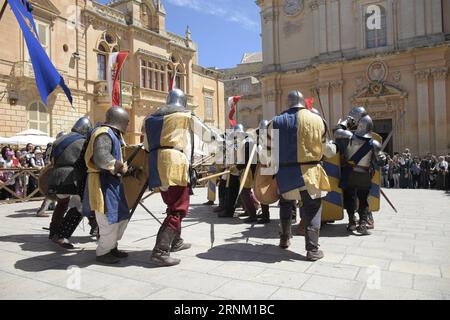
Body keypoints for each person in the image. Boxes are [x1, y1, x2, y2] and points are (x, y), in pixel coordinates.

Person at [268, 90, 337, 261]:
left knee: (285, 205)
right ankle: (312, 250)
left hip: (285, 175)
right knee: (313, 209)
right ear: (302, 102)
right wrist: (334, 147)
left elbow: (266, 154)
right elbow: (327, 151)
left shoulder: (274, 122)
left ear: (287, 102)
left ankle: (284, 239)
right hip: (310, 174)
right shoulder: (319, 120)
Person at [144, 89, 199, 267]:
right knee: (178, 208)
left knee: (171, 205)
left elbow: (146, 145)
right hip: (175, 162)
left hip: (156, 162)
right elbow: (190, 145)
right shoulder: (184, 116)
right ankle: (160, 251)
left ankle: (175, 241)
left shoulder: (150, 118)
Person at [83, 107, 130, 264]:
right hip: (101, 182)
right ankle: (103, 252)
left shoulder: (114, 134)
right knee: (108, 219)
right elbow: (101, 157)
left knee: (120, 216)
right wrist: (118, 166)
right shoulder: (104, 132)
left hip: (112, 182)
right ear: (121, 120)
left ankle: (111, 247)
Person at [47, 117, 96, 248]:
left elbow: (51, 159)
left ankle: (53, 232)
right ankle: (62, 236)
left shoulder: (59, 140)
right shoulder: (82, 141)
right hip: (71, 177)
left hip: (56, 176)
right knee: (79, 206)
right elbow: (86, 161)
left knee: (61, 204)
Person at [336, 114, 386, 235]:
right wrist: (382, 156)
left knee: (350, 198)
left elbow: (337, 131)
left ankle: (352, 221)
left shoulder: (349, 137)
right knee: (363, 200)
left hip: (350, 173)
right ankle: (363, 224)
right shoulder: (374, 143)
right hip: (364, 175)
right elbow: (381, 162)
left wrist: (347, 121)